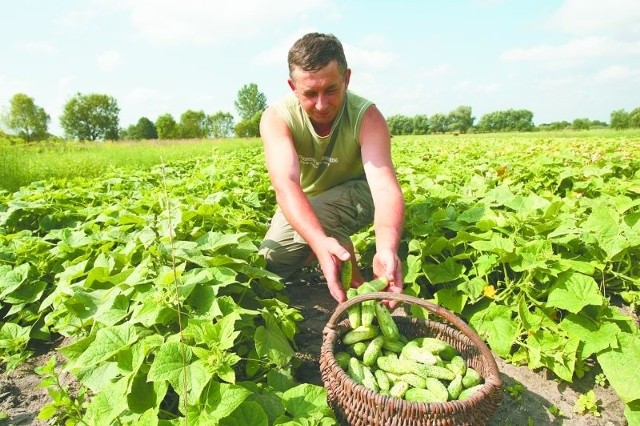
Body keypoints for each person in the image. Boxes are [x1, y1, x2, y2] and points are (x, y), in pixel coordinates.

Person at [258, 32, 405, 304]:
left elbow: (384, 188)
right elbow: (286, 184)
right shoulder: (277, 117)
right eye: (310, 93)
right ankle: (332, 247)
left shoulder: (366, 116)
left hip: (360, 194)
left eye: (331, 90)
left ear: (346, 79)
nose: (322, 104)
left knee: (316, 216)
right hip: (311, 200)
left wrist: (387, 247)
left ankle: (358, 285)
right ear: (293, 87)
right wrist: (316, 241)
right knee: (271, 263)